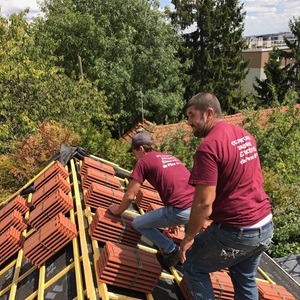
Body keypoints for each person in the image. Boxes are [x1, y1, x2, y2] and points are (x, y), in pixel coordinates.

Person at [180, 92, 273, 300]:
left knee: (193, 266)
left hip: (238, 231)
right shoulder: (245, 135)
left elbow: (204, 204)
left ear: (209, 113)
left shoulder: (208, 147)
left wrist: (189, 237)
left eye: (192, 115)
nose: (189, 122)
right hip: (264, 225)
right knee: (245, 276)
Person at [109, 131, 195, 266]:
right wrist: (174, 222)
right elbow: (180, 190)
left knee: (137, 224)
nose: (135, 157)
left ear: (141, 149)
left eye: (134, 152)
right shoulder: (171, 158)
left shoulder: (144, 162)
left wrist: (118, 211)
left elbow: (130, 195)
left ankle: (172, 250)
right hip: (199, 208)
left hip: (181, 210)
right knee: (192, 243)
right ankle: (191, 261)